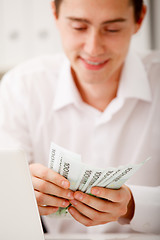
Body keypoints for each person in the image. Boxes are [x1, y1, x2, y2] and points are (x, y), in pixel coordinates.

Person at [0, 0, 160, 235]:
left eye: (112, 29)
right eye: (78, 27)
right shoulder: (22, 86)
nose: (93, 48)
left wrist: (134, 205)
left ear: (138, 19)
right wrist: (19, 191)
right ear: (55, 15)